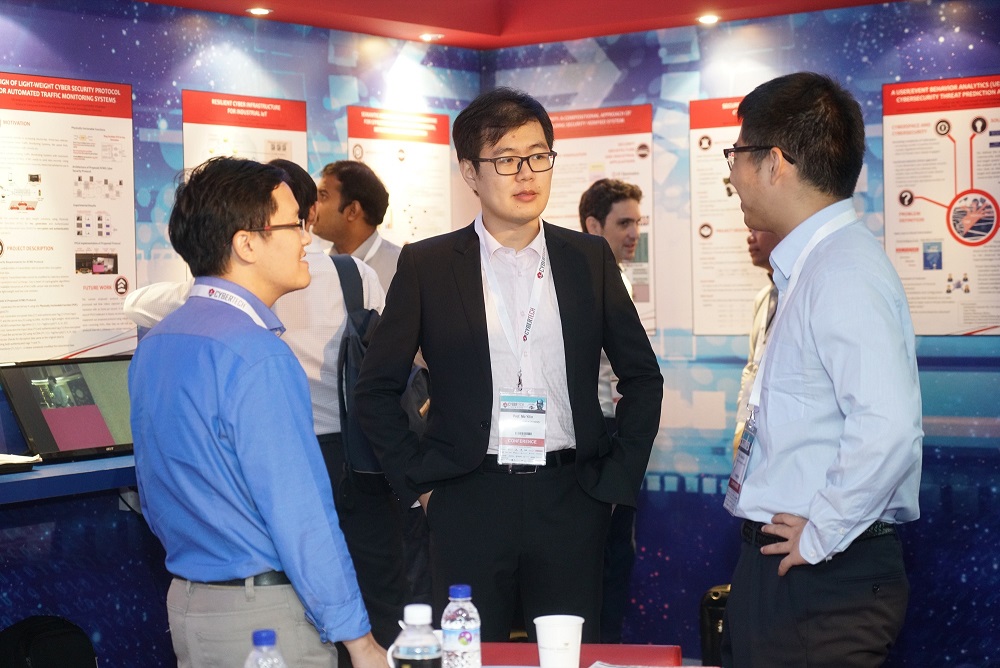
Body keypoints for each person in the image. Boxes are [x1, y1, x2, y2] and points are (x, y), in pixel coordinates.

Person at [353, 87, 663, 643]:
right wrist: (422, 487)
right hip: (468, 497)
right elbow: (375, 389)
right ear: (470, 172)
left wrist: (615, 482)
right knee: (471, 654)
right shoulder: (428, 265)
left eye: (538, 156)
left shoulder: (587, 258)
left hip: (571, 498)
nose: (526, 174)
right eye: (506, 160)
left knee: (566, 653)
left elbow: (642, 377)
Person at [123, 159, 410, 657]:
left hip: (191, 605)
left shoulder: (158, 342)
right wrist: (360, 640)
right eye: (292, 224)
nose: (306, 237)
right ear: (247, 244)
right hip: (266, 618)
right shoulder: (258, 354)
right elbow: (300, 516)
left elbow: (153, 495)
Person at [720, 72, 922, 667]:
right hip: (795, 571)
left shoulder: (842, 271)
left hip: (823, 581)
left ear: (774, 163)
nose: (732, 175)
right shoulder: (814, 266)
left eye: (737, 154)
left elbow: (888, 426)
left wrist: (823, 531)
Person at [577, 177, 645, 643]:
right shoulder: (579, 279)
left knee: (616, 555)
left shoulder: (617, 278)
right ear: (593, 225)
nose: (633, 233)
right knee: (597, 560)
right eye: (623, 223)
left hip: (614, 435)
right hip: (591, 436)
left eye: (637, 223)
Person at [315, 160, 401, 292]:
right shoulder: (315, 267)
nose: (313, 204)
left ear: (352, 211)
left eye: (323, 196)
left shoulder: (400, 268)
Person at [731, 228, 779, 456]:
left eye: (757, 230)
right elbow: (752, 369)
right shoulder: (764, 298)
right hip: (751, 427)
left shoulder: (801, 293)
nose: (750, 238)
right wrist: (741, 425)